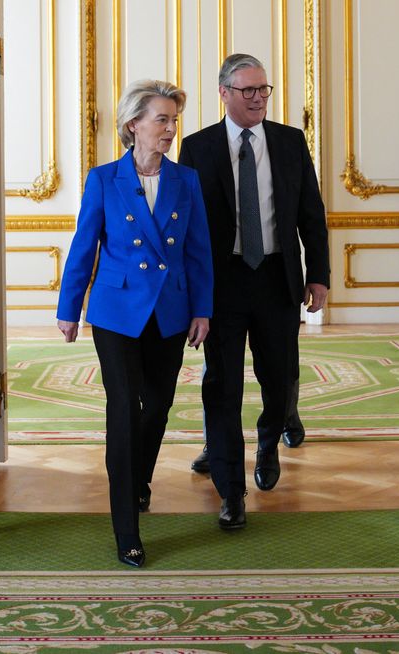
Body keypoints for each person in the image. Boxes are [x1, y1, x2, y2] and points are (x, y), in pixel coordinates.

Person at [57, 80, 214, 567]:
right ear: (133, 126)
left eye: (173, 119)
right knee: (124, 410)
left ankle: (138, 479)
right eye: (162, 120)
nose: (171, 129)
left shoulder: (185, 180)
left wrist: (201, 308)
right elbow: (85, 246)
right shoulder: (103, 179)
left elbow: (197, 250)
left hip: (170, 311)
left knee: (158, 407)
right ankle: (126, 526)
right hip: (117, 312)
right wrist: (69, 307)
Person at [179, 54, 329, 529]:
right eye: (248, 91)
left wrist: (319, 275)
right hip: (221, 283)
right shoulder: (197, 148)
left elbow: (311, 213)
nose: (259, 98)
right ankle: (231, 490)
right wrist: (190, 294)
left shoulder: (290, 142)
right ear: (223, 93)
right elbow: (187, 228)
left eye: (263, 89)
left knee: (279, 377)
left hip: (277, 278)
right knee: (221, 385)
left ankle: (268, 442)